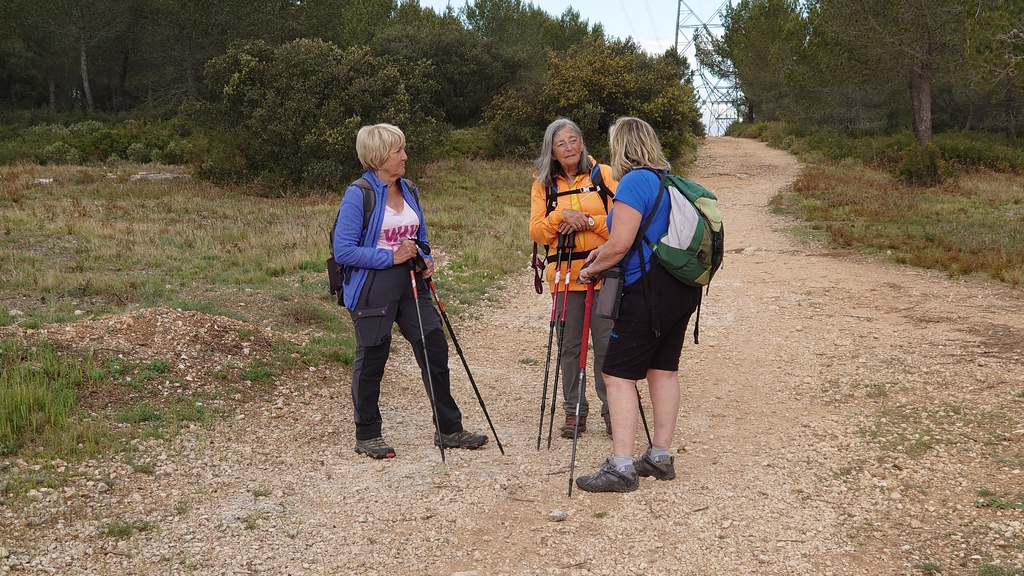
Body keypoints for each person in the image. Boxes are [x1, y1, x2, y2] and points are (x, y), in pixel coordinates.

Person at [333, 123, 488, 459]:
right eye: (397, 150)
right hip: (372, 287)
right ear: (377, 157)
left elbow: (421, 239)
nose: (405, 156)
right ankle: (368, 433)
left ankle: (449, 429)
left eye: (403, 148)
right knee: (373, 357)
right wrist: (390, 255)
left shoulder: (410, 190)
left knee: (434, 349)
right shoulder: (359, 194)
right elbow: (343, 250)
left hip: (413, 284)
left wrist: (425, 257)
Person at [575, 117, 703, 492]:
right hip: (680, 287)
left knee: (616, 375)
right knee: (663, 370)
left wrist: (591, 268)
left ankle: (621, 466)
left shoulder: (634, 180)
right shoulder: (669, 181)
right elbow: (639, 238)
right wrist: (608, 250)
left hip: (646, 291)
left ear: (622, 146)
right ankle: (660, 457)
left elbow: (620, 245)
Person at [529, 118, 618, 439]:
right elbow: (537, 231)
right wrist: (561, 215)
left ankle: (613, 411)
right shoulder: (542, 184)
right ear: (550, 150)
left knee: (608, 345)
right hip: (565, 276)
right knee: (569, 346)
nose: (568, 148)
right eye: (560, 143)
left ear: (582, 142)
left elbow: (620, 225)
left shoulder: (604, 175)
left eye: (573, 140)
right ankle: (574, 411)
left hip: (604, 272)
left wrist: (588, 220)